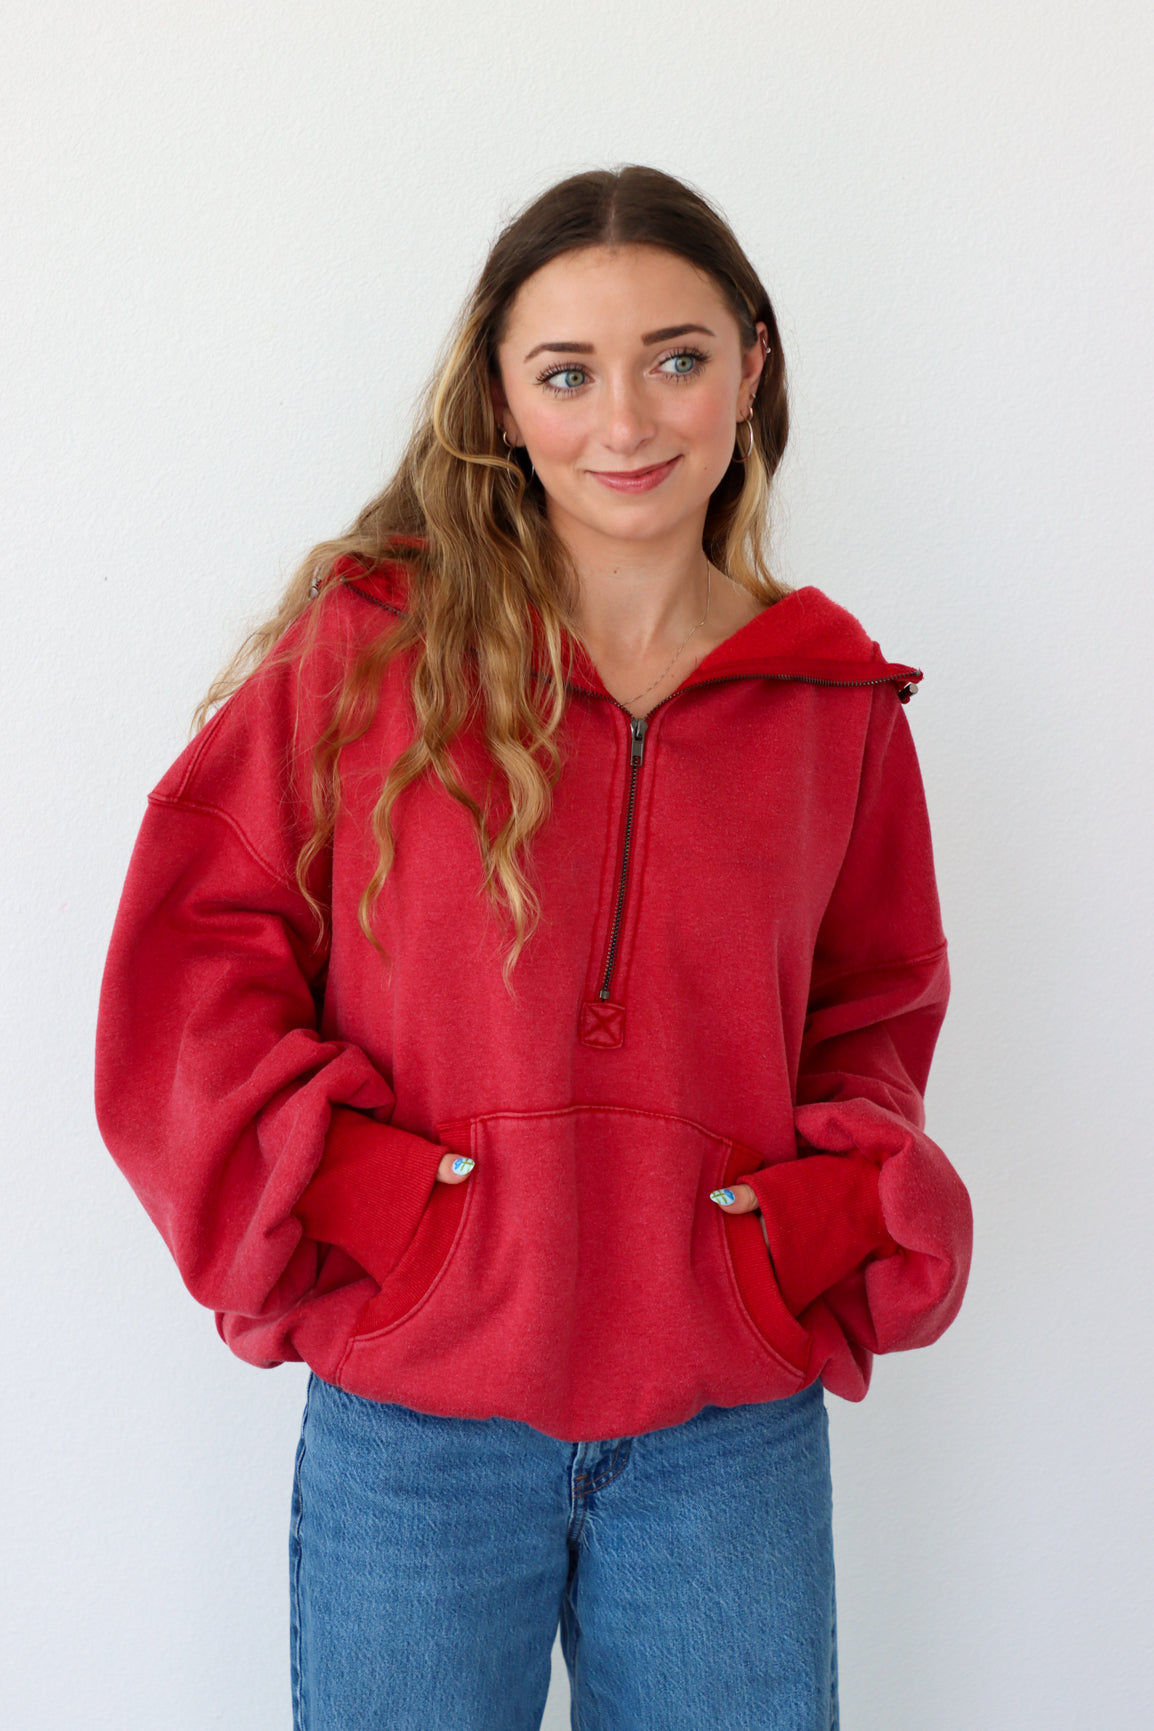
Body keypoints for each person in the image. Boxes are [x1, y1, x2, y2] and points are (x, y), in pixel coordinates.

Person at [95, 164, 973, 1730]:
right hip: (415, 1432)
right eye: (566, 373)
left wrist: (793, 1229)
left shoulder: (834, 710)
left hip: (726, 1432)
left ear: (750, 369)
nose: (626, 423)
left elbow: (871, 1014)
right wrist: (379, 1205)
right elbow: (190, 968)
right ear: (499, 398)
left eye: (677, 358)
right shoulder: (366, 655)